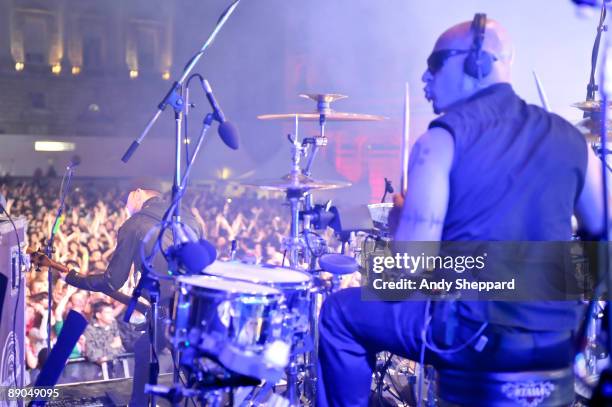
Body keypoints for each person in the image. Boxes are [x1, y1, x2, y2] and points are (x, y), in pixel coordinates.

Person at [316, 15, 605, 406]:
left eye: (435, 64)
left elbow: (408, 272)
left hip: (473, 339)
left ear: (476, 63)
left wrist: (398, 233)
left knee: (339, 314)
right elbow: (602, 240)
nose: (424, 78)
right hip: (555, 346)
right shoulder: (573, 140)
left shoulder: (441, 139)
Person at [62, 178, 203, 406]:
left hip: (167, 308)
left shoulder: (135, 224)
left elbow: (113, 280)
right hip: (196, 302)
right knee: (173, 356)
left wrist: (73, 278)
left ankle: (140, 403)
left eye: (126, 201)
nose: (125, 208)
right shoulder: (185, 215)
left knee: (148, 352)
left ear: (137, 193)